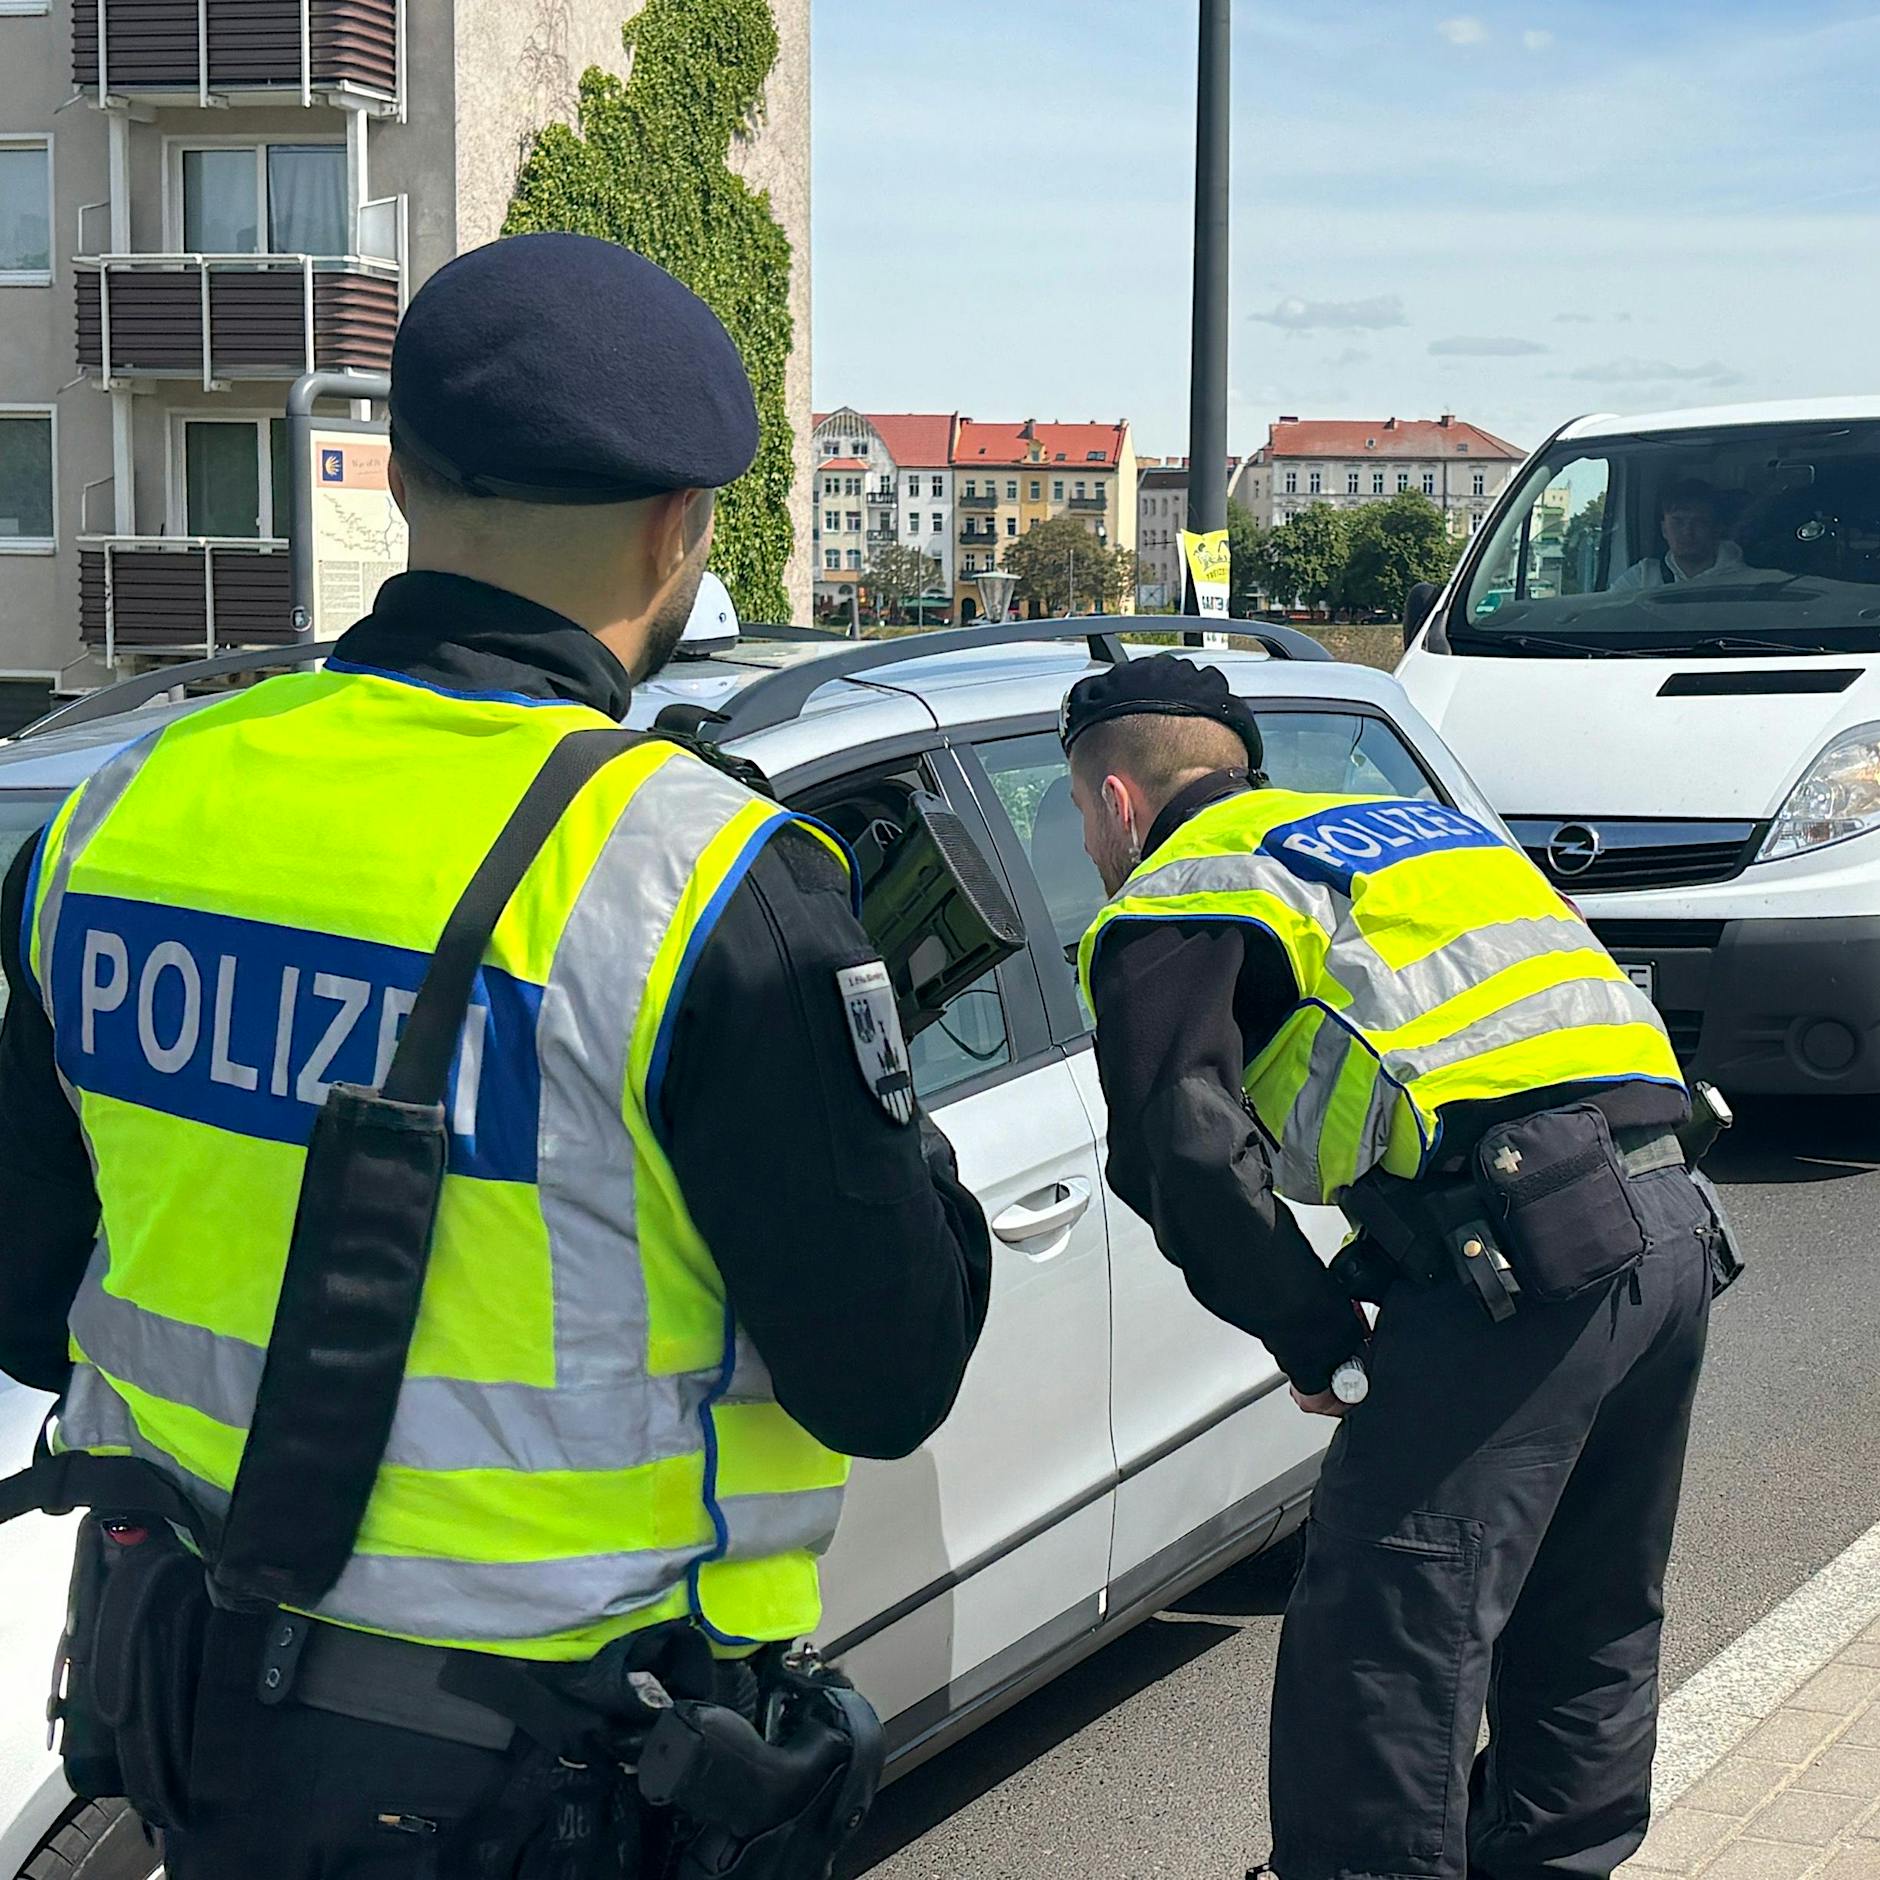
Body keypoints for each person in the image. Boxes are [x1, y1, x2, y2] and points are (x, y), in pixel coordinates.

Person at [0, 233, 992, 1875]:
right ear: (680, 531)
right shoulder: (700, 881)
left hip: (206, 1721)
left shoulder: (125, 809)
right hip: (551, 1779)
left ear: (400, 479)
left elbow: (27, 1299)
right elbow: (889, 1377)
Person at [1063, 655, 1724, 1880]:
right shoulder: (1408, 835)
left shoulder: (1185, 882)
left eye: (1079, 817)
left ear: (1114, 799)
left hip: (1517, 1269)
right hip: (1669, 1219)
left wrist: (1318, 1339)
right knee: (1584, 1622)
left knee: (1384, 1651)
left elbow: (1177, 1148)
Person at [1612, 478, 1749, 587]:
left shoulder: (1748, 583)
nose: (1687, 531)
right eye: (1677, 522)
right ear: (1664, 529)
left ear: (1717, 529)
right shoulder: (1642, 577)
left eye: (1699, 522)